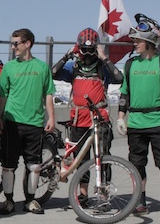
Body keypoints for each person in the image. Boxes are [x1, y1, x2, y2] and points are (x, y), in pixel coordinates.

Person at [116, 14, 160, 220]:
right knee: (137, 165)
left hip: (159, 123)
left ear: (151, 41)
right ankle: (141, 201)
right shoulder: (130, 65)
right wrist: (120, 117)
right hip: (136, 123)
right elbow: (124, 94)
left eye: (138, 40)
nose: (134, 43)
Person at [51, 28, 123, 205]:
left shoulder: (102, 67)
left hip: (99, 118)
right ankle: (83, 193)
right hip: (78, 118)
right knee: (81, 159)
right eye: (84, 49)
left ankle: (103, 193)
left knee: (103, 156)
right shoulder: (74, 66)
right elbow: (52, 73)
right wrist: (68, 55)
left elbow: (119, 78)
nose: (88, 53)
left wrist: (104, 57)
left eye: (92, 49)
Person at [0, 28, 56, 215]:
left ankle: (31, 200)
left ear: (27, 43)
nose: (13, 47)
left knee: (34, 165)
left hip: (34, 122)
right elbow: (2, 96)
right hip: (11, 122)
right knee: (8, 165)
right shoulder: (9, 67)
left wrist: (51, 117)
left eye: (16, 43)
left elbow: (48, 94)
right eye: (12, 44)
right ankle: (9, 201)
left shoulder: (42, 67)